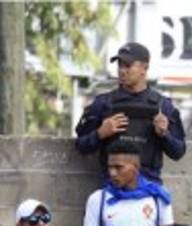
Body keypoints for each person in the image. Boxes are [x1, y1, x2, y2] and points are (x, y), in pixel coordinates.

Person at [73, 41, 186, 181]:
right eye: (120, 65)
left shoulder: (163, 106)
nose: (122, 70)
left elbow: (178, 152)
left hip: (149, 187)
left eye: (128, 65)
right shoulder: (103, 103)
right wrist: (100, 133)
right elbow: (81, 146)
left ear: (144, 68)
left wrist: (164, 134)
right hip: (113, 186)